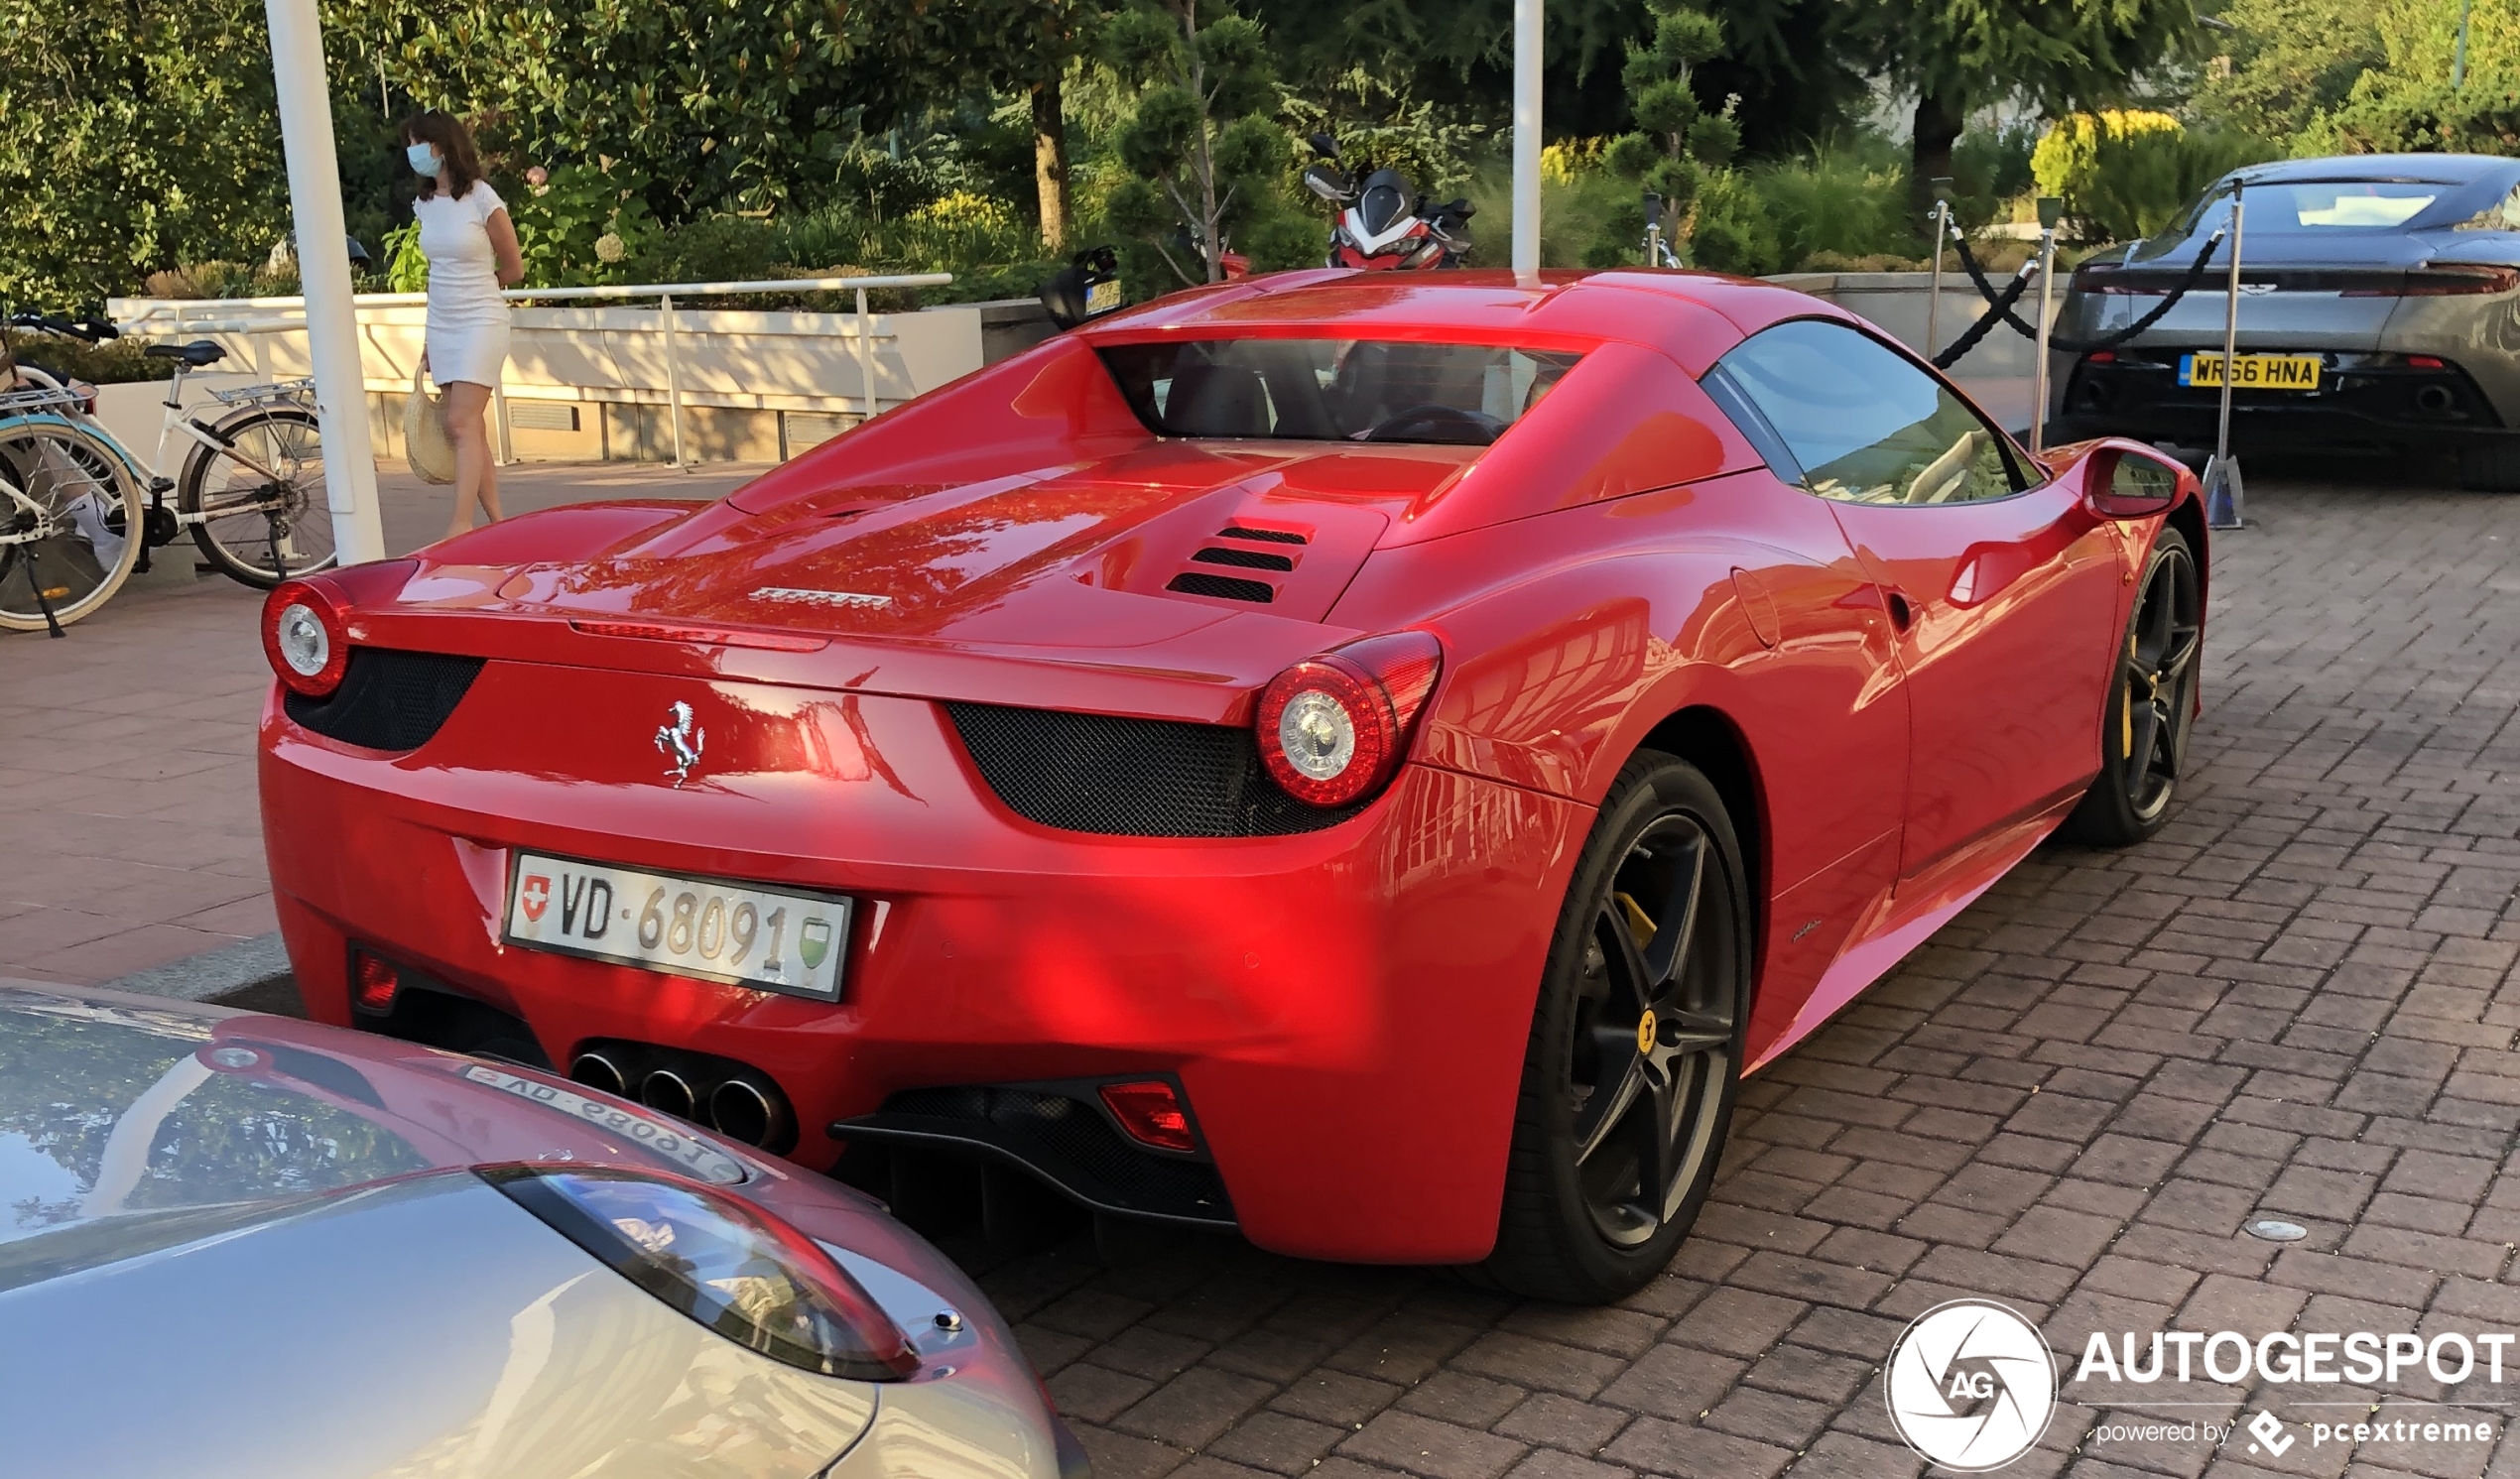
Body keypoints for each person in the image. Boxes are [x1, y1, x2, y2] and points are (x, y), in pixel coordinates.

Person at [402, 111, 523, 540]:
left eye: (419, 141)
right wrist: (428, 341)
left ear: (441, 145)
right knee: (470, 428)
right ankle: (498, 526)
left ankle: (460, 525)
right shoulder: (425, 204)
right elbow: (435, 274)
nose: (413, 151)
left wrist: (480, 287)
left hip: (481, 321)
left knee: (459, 423)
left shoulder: (482, 198)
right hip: (443, 322)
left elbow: (513, 266)